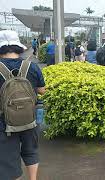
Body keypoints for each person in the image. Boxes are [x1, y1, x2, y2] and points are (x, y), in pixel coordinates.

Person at [0, 30, 46, 180]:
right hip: (29, 119)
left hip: (4, 123)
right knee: (30, 151)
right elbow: (42, 91)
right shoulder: (31, 67)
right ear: (19, 47)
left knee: (8, 158)